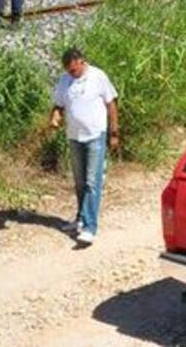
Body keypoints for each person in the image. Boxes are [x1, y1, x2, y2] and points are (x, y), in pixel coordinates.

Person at [49, 47, 119, 245]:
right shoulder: (65, 80)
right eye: (68, 71)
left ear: (81, 61)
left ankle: (89, 227)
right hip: (74, 136)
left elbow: (111, 104)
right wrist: (55, 116)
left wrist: (114, 133)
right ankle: (80, 218)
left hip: (95, 135)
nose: (71, 74)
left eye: (74, 70)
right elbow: (59, 104)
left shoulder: (98, 76)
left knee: (91, 181)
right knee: (79, 181)